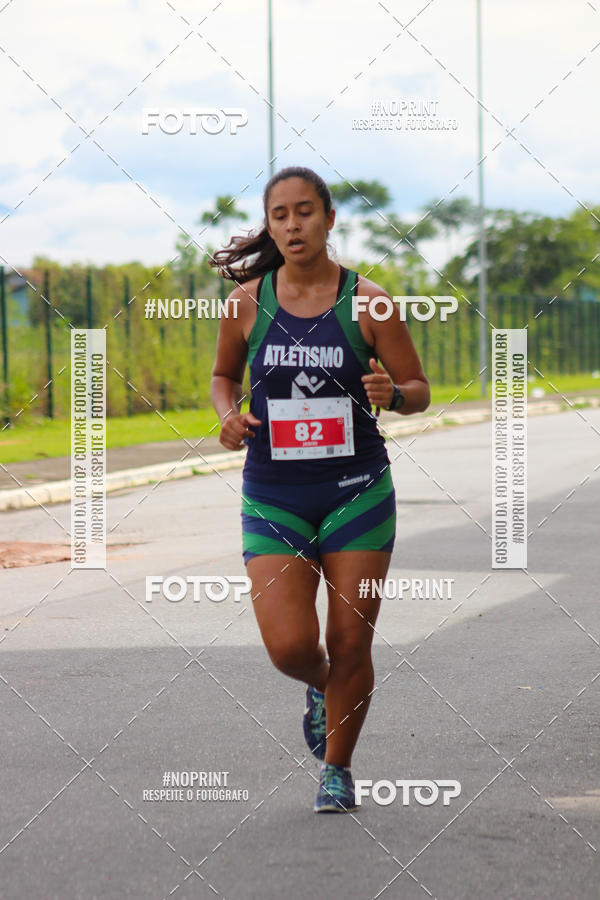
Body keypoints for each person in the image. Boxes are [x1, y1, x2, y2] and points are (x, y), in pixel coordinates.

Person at [210, 166, 429, 813]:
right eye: (280, 215)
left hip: (357, 492)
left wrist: (397, 394)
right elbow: (223, 375)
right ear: (270, 226)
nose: (293, 224)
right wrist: (226, 414)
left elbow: (418, 387)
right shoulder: (247, 302)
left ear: (329, 219)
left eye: (305, 211)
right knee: (290, 648)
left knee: (351, 641)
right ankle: (321, 689)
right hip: (273, 493)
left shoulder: (370, 302)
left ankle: (337, 768)